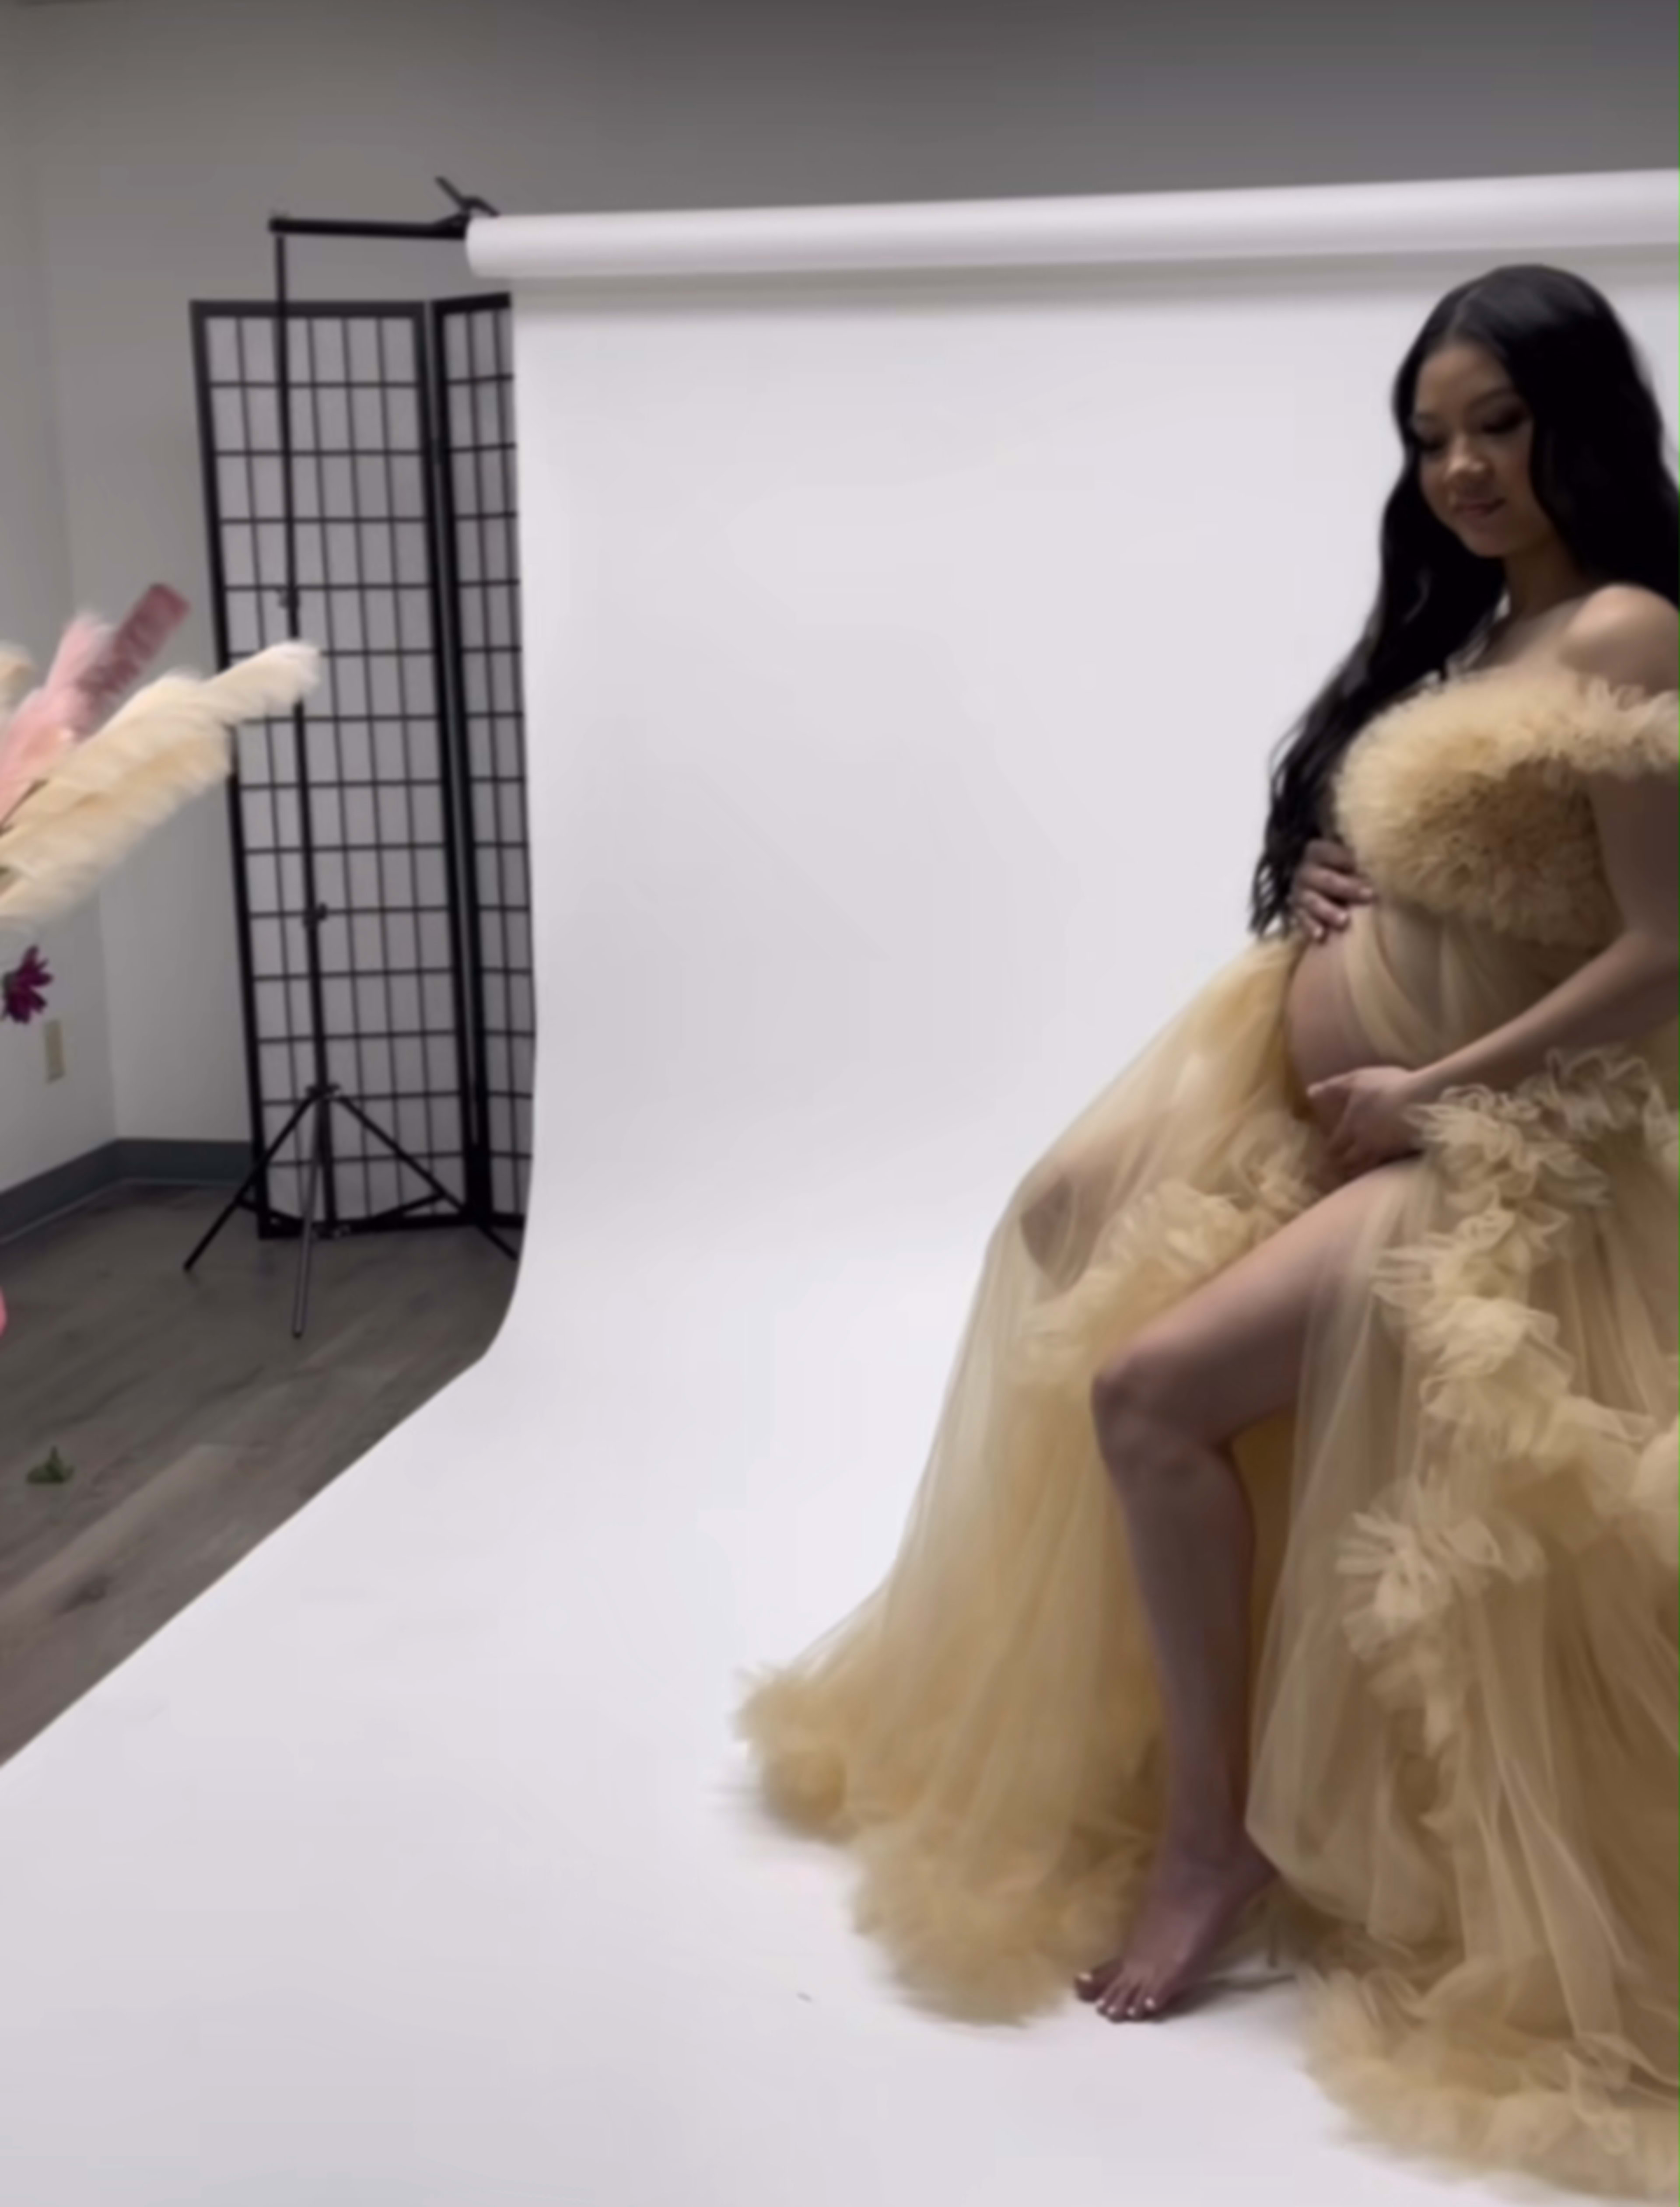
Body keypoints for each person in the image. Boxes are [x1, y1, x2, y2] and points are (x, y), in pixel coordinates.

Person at [736, 262, 1679, 2199]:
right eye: (1431, 436)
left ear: (1582, 417)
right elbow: (1479, 862)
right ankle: (1197, 1771)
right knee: (1069, 1222)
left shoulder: (1633, 628)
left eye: (1498, 422)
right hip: (1361, 1104)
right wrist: (1349, 869)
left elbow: (1667, 950)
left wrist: (1439, 1081)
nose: (1462, 465)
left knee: (1155, 1387)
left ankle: (1213, 1832)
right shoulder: (1483, 631)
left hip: (1511, 1147)